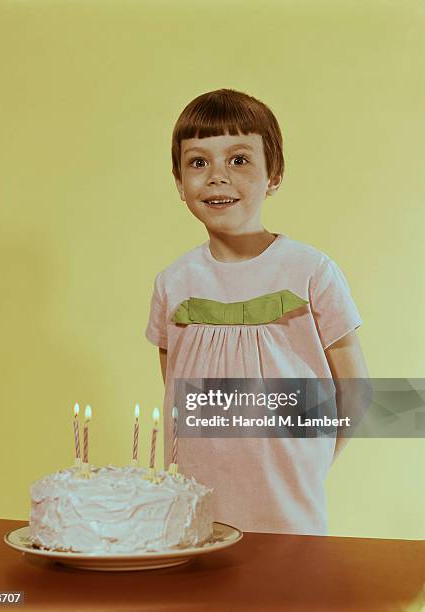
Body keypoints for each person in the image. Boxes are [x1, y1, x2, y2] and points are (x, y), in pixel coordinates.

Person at [145, 88, 369, 535]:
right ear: (178, 182)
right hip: (198, 505)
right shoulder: (174, 282)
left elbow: (356, 391)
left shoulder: (311, 271)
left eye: (239, 159)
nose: (217, 177)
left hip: (288, 505)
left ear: (275, 174)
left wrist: (313, 457)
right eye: (198, 162)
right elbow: (175, 383)